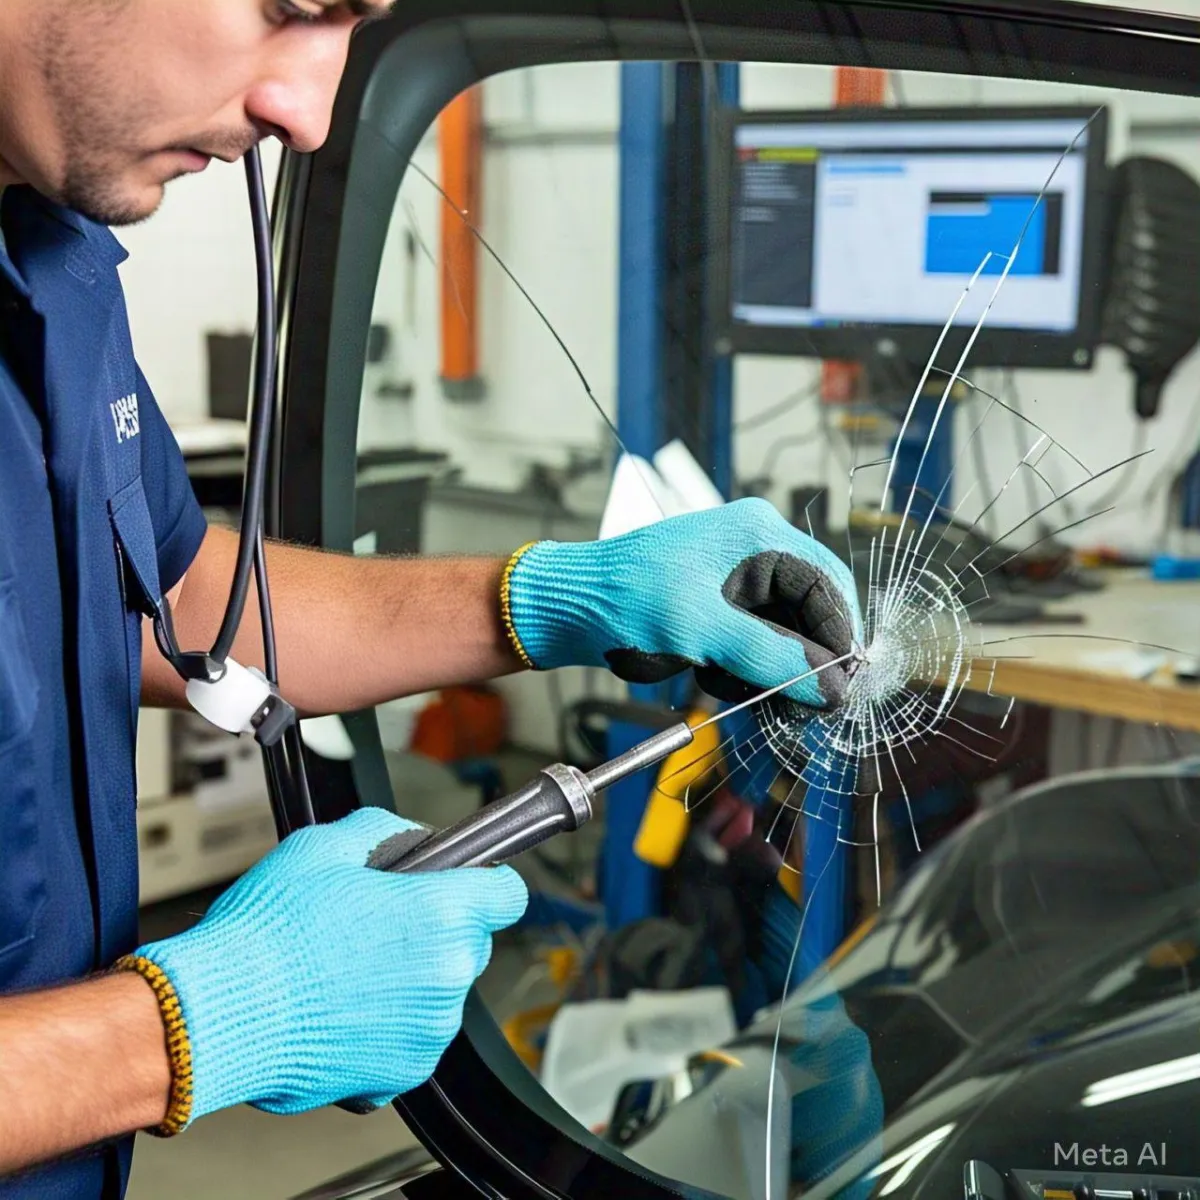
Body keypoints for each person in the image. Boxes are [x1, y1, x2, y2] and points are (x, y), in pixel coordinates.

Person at [0, 2, 861, 1196]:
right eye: (290, 9)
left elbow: (172, 590)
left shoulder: (50, 253)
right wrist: (196, 1021)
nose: (303, 116)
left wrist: (559, 599)